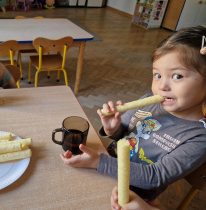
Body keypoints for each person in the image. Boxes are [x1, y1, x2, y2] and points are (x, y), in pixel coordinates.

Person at [60, 25, 206, 202]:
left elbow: (155, 176)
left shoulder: (199, 138)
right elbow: (123, 136)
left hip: (130, 195)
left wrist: (99, 162)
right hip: (102, 167)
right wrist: (112, 129)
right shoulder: (147, 102)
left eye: (177, 76)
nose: (162, 86)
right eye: (157, 75)